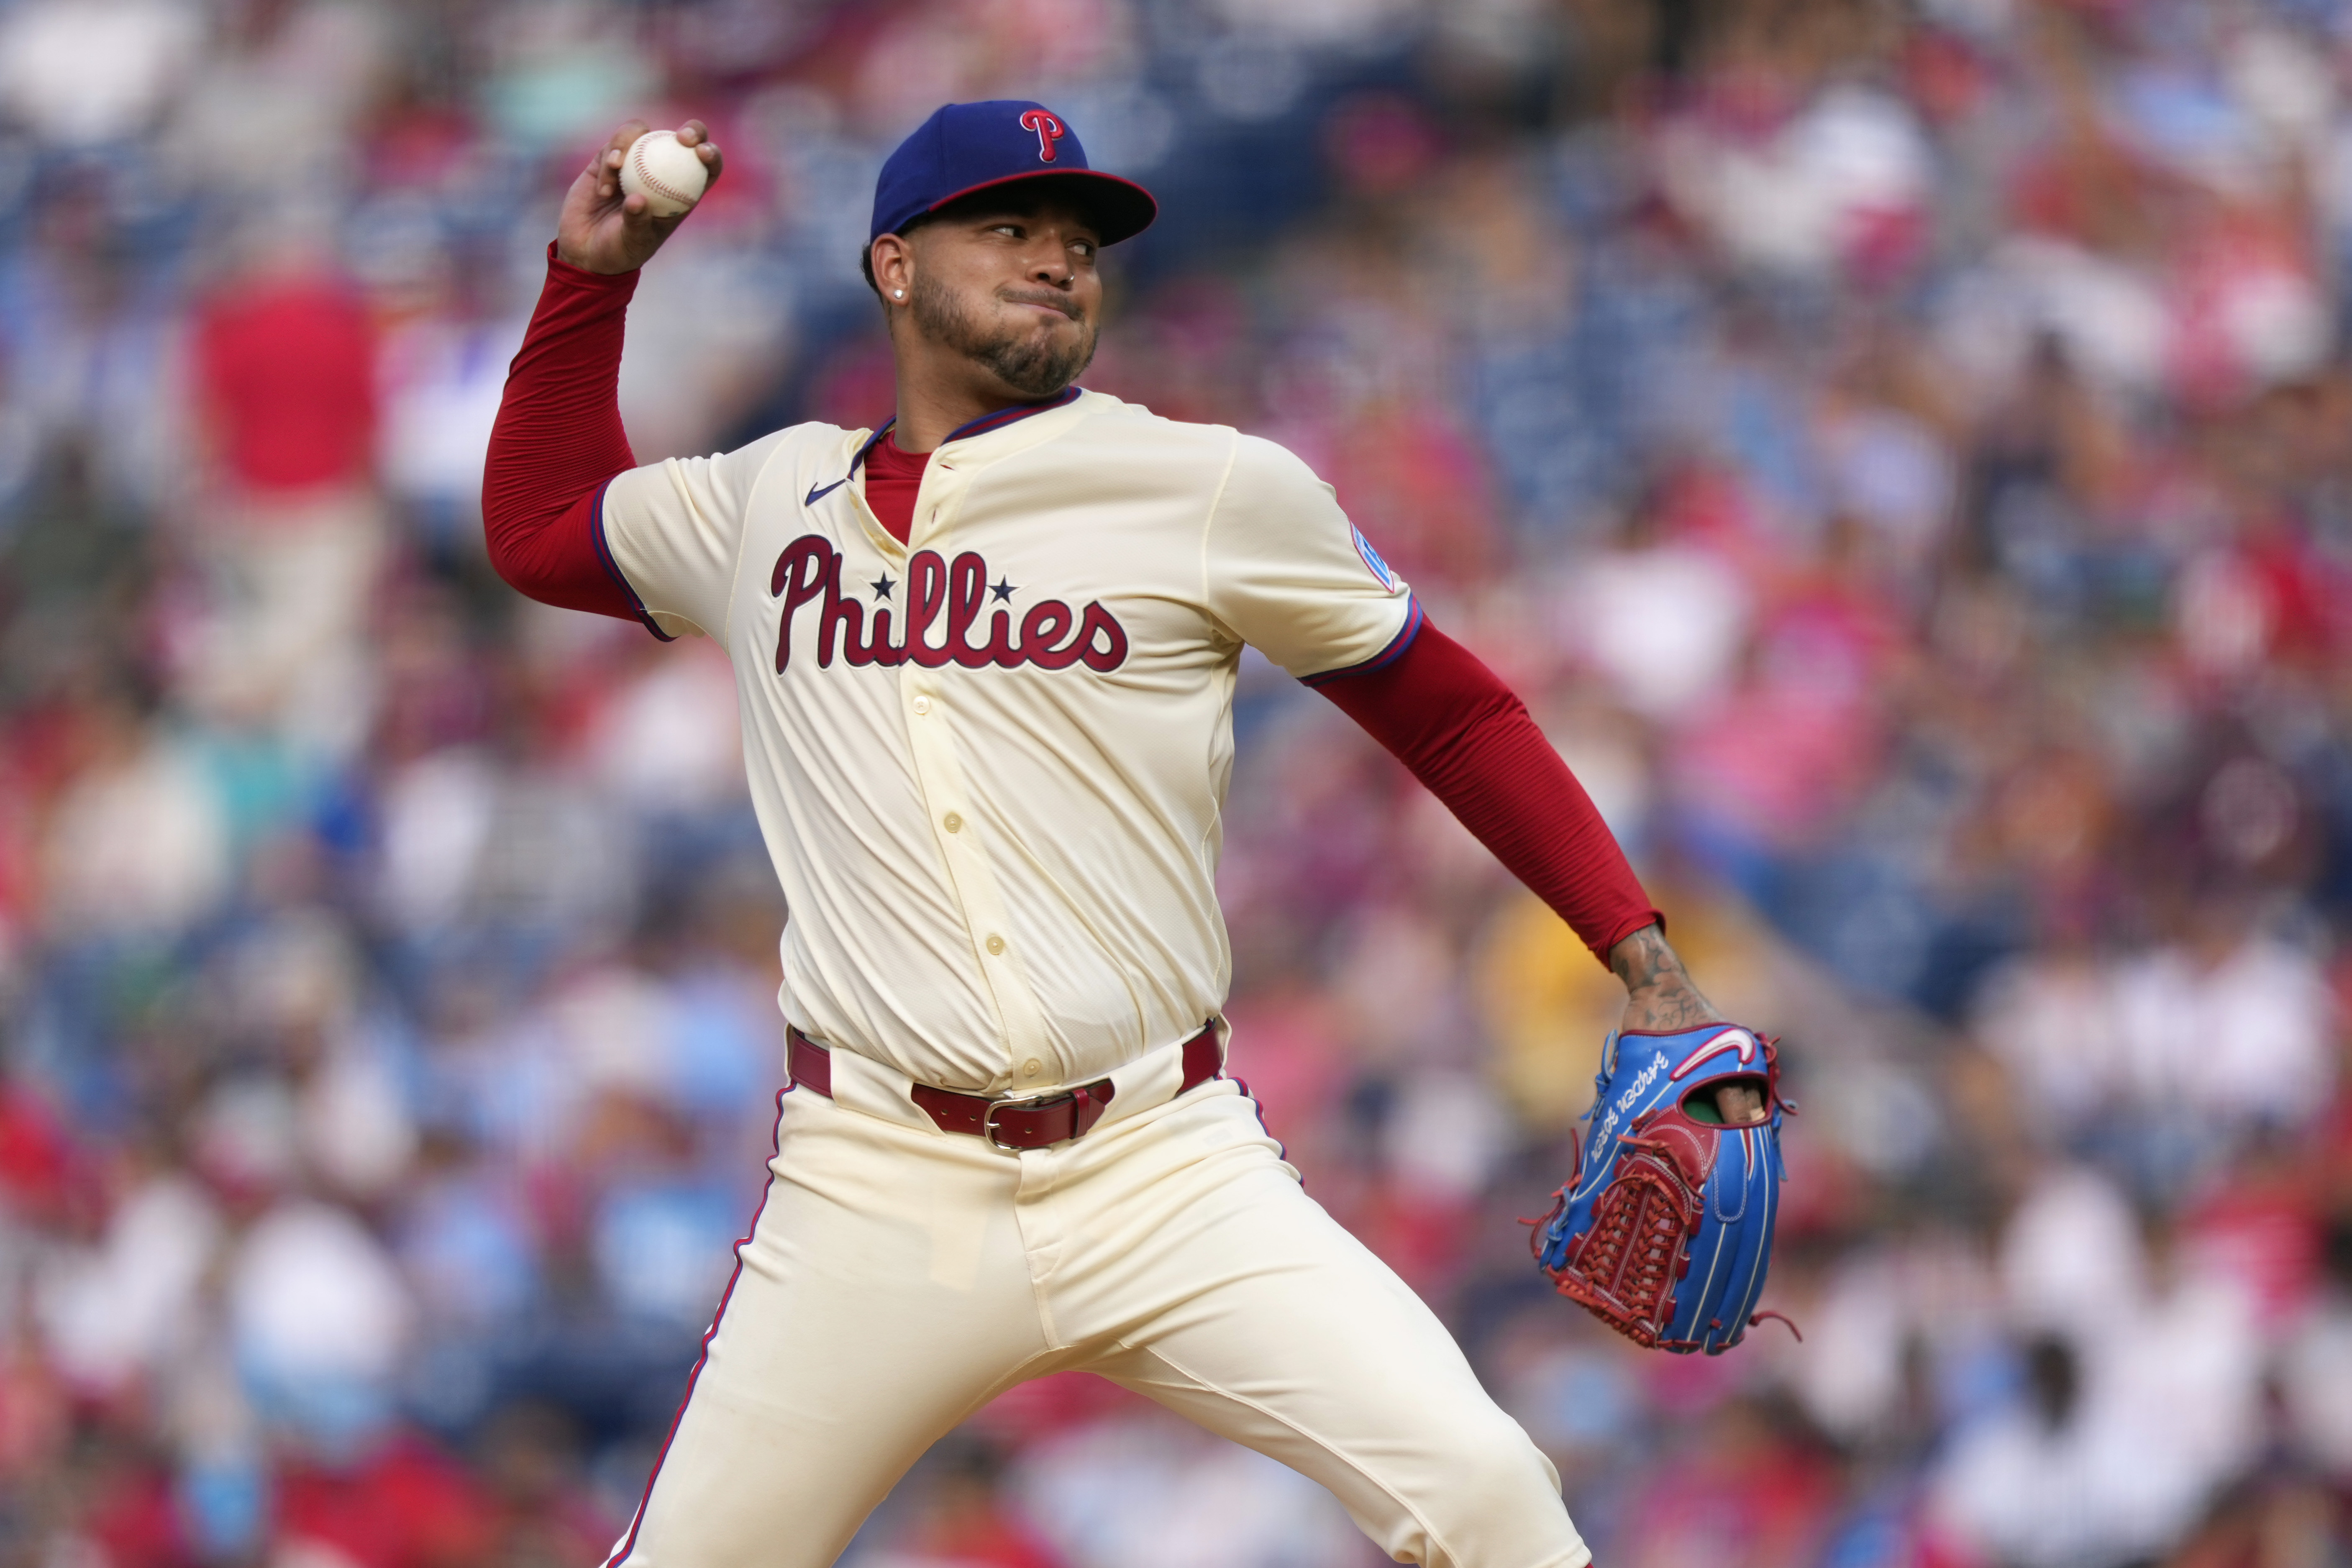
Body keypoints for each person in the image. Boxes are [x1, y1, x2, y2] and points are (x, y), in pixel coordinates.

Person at [484, 101, 1740, 1568]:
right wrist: (595, 281)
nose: (1057, 262)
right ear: (894, 265)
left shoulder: (1207, 488)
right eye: (1008, 228)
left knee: (1489, 1493)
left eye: (1078, 242)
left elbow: (1452, 715)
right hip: (878, 1185)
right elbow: (539, 526)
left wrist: (1637, 952)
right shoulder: (769, 503)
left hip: (1164, 1159)